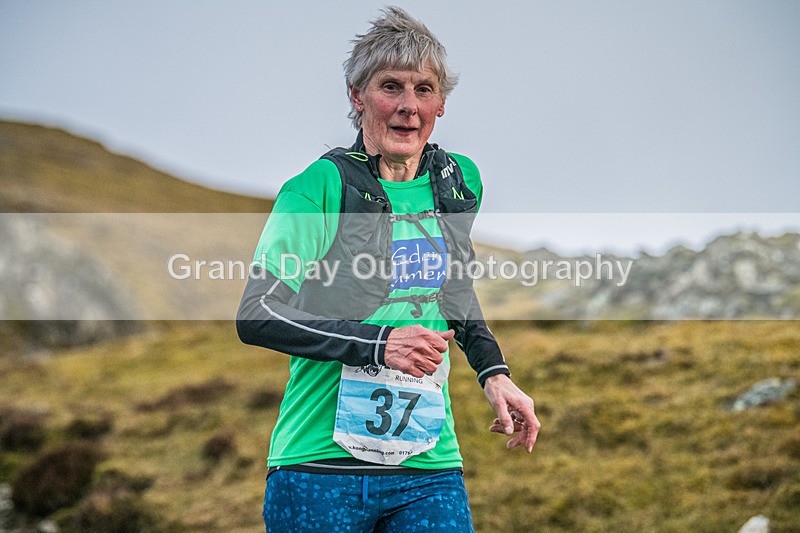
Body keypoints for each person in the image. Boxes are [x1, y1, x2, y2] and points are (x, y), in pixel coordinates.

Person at [237, 6, 539, 531]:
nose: (407, 107)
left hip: (428, 466)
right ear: (357, 97)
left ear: (441, 104)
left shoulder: (458, 181)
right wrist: (382, 344)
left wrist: (495, 373)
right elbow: (257, 314)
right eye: (390, 87)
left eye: (423, 89)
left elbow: (454, 291)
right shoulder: (317, 188)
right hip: (317, 469)